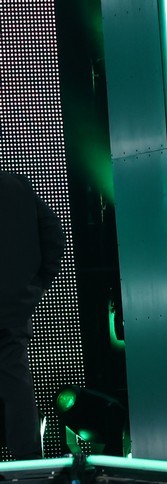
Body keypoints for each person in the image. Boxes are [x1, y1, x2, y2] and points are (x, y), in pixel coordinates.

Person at [0, 172, 64, 462]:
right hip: (12, 307)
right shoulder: (17, 185)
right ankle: (28, 468)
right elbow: (53, 232)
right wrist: (36, 284)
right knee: (15, 383)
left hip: (13, 305)